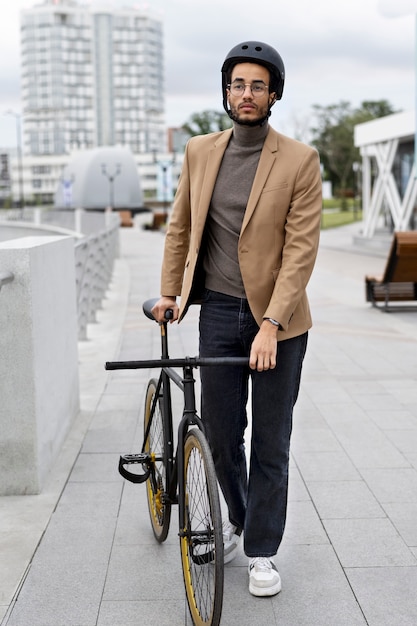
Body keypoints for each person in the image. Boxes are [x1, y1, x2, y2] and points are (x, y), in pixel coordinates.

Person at [152, 40, 322, 597]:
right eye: (236, 84)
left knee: (271, 441)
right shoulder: (201, 151)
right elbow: (180, 228)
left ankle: (262, 551)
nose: (245, 94)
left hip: (280, 322)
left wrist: (272, 323)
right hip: (219, 312)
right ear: (226, 92)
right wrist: (170, 293)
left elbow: (301, 250)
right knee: (223, 435)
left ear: (273, 94)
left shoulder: (300, 159)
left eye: (256, 85)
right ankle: (241, 519)